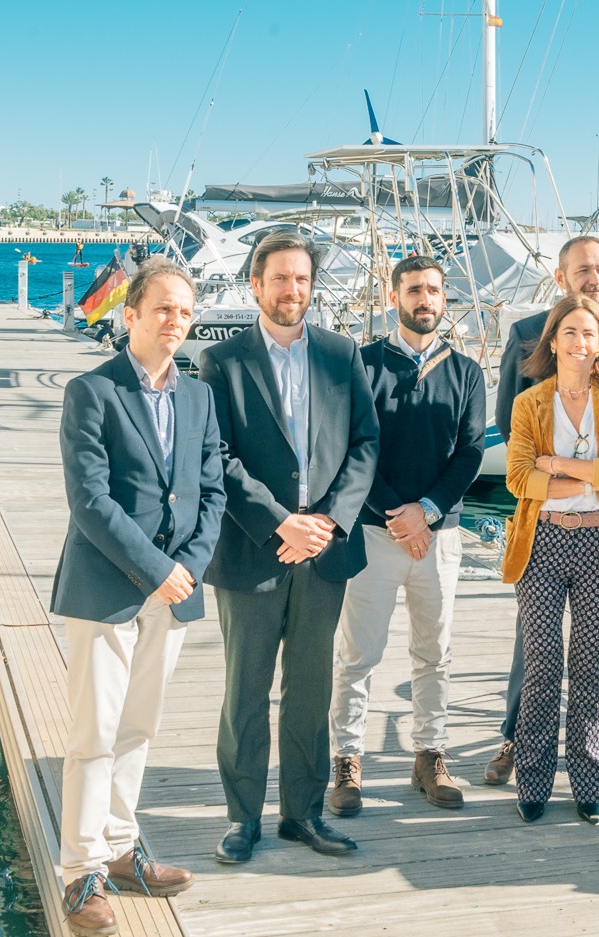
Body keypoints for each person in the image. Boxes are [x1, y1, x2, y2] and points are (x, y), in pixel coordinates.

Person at [53, 257, 224, 936]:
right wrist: (156, 568)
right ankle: (81, 871)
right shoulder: (91, 392)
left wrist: (187, 567)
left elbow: (209, 492)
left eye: (185, 310)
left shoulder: (199, 395)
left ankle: (122, 848)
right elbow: (89, 499)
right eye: (163, 309)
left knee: (139, 727)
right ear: (129, 315)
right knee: (92, 735)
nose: (176, 321)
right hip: (107, 588)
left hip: (172, 590)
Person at [199, 229, 379, 863]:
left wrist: (329, 521)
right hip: (254, 549)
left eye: (301, 279)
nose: (292, 290)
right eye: (279, 278)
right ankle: (242, 818)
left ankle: (301, 815)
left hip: (325, 552)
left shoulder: (340, 353)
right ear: (256, 284)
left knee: (310, 690)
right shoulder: (222, 362)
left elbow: (365, 445)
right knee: (245, 689)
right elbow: (216, 456)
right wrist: (281, 522)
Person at [487, 235, 599, 786]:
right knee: (533, 639)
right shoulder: (526, 333)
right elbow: (510, 417)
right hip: (544, 516)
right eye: (583, 269)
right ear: (561, 276)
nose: (594, 278)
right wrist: (559, 474)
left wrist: (587, 467)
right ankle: (517, 736)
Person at [327, 255, 485, 816]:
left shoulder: (466, 372)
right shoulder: (363, 365)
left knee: (434, 653)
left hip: (438, 537)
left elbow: (470, 453)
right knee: (357, 655)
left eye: (435, 291)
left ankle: (430, 754)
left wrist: (428, 511)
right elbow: (355, 447)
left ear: (445, 300)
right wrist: (399, 513)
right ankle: (346, 763)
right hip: (374, 534)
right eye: (415, 290)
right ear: (394, 296)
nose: (426, 300)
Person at [501, 294, 599, 824]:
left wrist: (558, 466)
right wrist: (588, 473)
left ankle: (589, 783)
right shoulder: (530, 403)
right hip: (540, 542)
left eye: (590, 333)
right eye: (570, 332)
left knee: (589, 668)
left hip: (598, 545)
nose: (580, 342)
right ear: (553, 341)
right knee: (540, 665)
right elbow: (518, 479)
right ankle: (531, 782)